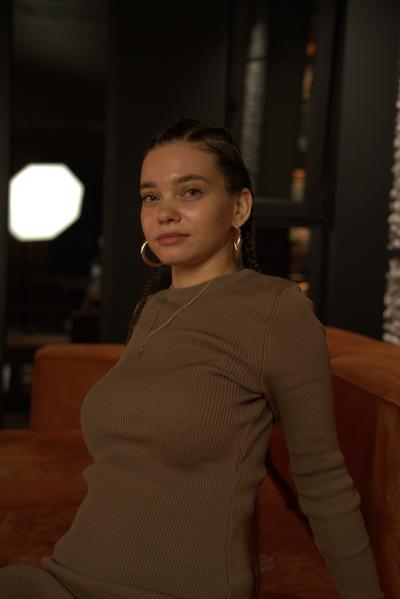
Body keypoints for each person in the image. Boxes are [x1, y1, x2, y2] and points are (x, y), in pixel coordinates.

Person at [0, 118, 384, 599]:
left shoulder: (275, 310)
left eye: (191, 192)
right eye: (151, 196)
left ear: (239, 207)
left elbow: (323, 480)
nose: (165, 213)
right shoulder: (152, 309)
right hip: (67, 573)